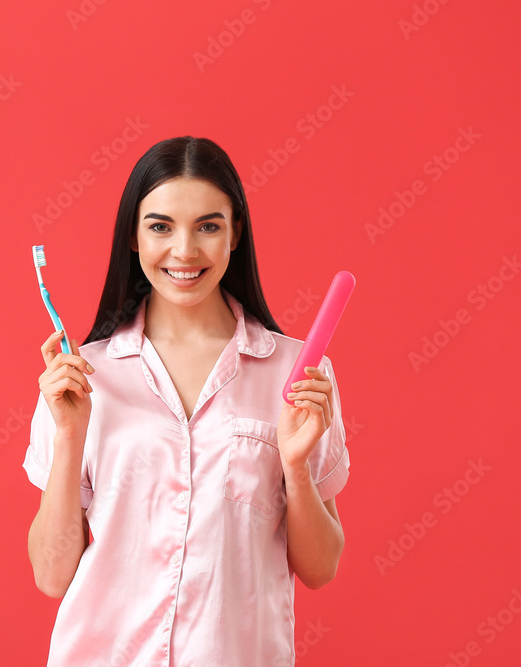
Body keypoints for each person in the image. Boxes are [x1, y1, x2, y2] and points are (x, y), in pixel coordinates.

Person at [22, 136, 351, 666]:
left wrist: (295, 465)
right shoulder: (84, 376)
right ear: (133, 236)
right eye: (160, 226)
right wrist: (68, 435)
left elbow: (320, 567)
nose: (184, 250)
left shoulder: (295, 376)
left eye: (208, 226)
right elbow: (51, 574)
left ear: (235, 233)